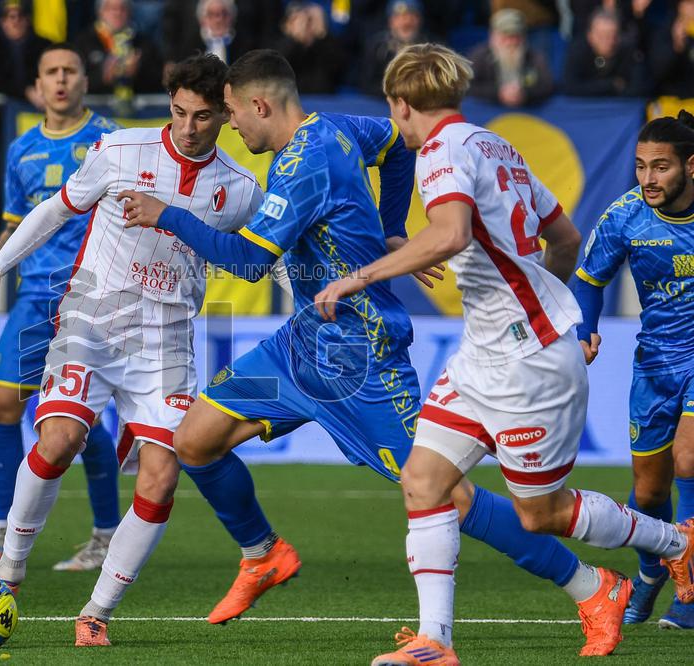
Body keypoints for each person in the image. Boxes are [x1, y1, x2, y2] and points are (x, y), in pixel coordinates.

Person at [120, 48, 624, 653]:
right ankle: (262, 554)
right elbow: (396, 144)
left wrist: (167, 214)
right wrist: (390, 225)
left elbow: (250, 262)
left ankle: (591, 585)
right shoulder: (339, 127)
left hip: (362, 358)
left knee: (447, 494)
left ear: (259, 103)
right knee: (195, 440)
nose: (230, 125)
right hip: (303, 344)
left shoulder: (304, 164)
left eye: (230, 112)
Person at [311, 42, 694, 663]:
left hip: (528, 364)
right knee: (424, 480)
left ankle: (673, 543)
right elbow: (564, 238)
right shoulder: (494, 144)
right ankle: (436, 642)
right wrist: (537, 293)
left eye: (393, 108)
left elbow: (451, 233)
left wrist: (363, 276)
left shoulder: (440, 153)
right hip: (485, 353)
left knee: (541, 515)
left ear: (401, 103)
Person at [0, 53, 263, 646]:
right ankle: (10, 572)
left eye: (201, 117)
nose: (187, 128)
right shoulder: (121, 151)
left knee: (161, 478)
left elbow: (257, 260)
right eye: (177, 113)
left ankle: (96, 612)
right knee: (59, 440)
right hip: (93, 322)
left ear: (224, 113)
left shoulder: (240, 191)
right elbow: (53, 209)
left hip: (167, 342)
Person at [0, 43, 123, 572]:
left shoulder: (110, 140)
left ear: (83, 81)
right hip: (34, 295)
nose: (60, 80)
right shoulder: (21, 149)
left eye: (69, 71)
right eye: (50, 72)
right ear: (36, 85)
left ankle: (104, 536)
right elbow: (18, 223)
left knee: (82, 421)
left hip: (90, 294)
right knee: (3, 405)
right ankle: (3, 527)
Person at [574, 111, 694, 630]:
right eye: (642, 166)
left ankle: (688, 595)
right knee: (648, 493)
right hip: (654, 363)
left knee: (689, 458)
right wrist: (585, 330)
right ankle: (650, 577)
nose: (648, 178)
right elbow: (587, 279)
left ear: (691, 166)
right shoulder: (625, 216)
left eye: (661, 167)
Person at [468, 8, 553, 108]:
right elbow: (468, 86)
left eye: (515, 36)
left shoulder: (534, 57)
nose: (510, 42)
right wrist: (498, 93)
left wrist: (525, 94)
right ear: (493, 36)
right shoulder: (480, 56)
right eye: (505, 36)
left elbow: (547, 86)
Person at [563, 8, 648, 97]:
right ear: (590, 36)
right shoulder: (578, 50)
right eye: (601, 35)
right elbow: (570, 87)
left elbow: (639, 88)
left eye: (612, 35)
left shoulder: (629, 50)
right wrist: (611, 84)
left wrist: (592, 87)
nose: (608, 41)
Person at [0, 0, 52, 106]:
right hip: (4, 110)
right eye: (9, 17)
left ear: (28, 19)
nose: (15, 21)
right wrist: (25, 92)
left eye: (21, 15)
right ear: (2, 22)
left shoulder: (44, 45)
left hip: (41, 107)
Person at [356, 0, 427, 96]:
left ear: (420, 20)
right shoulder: (377, 46)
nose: (406, 22)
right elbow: (367, 82)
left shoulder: (431, 48)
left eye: (412, 16)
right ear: (391, 21)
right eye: (400, 17)